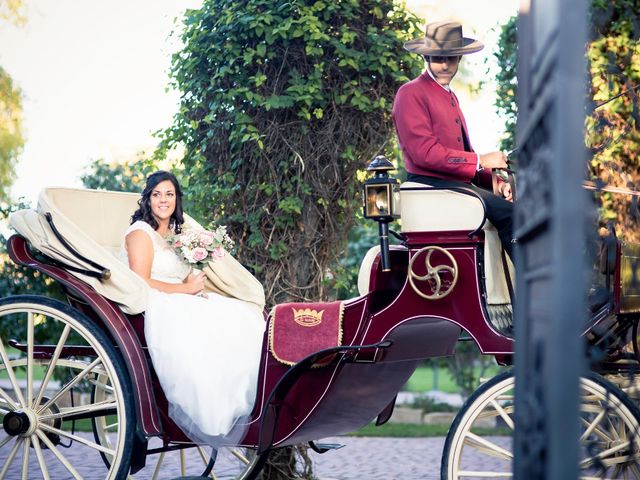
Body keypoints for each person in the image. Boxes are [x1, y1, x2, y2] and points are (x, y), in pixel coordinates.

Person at [121, 170, 266, 444]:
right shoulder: (140, 233)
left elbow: (183, 274)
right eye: (157, 194)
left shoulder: (177, 234)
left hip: (180, 294)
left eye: (169, 194)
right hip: (156, 299)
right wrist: (185, 290)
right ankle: (212, 408)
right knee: (198, 326)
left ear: (177, 199)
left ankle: (246, 396)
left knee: (238, 315)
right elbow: (139, 281)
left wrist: (193, 283)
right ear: (147, 199)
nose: (163, 200)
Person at [392, 20, 514, 258]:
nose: (446, 64)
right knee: (514, 216)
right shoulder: (410, 92)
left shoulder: (450, 96)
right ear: (425, 57)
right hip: (431, 186)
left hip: (457, 186)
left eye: (452, 58)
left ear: (459, 58)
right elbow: (425, 153)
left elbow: (461, 158)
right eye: (439, 58)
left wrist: (496, 183)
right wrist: (480, 160)